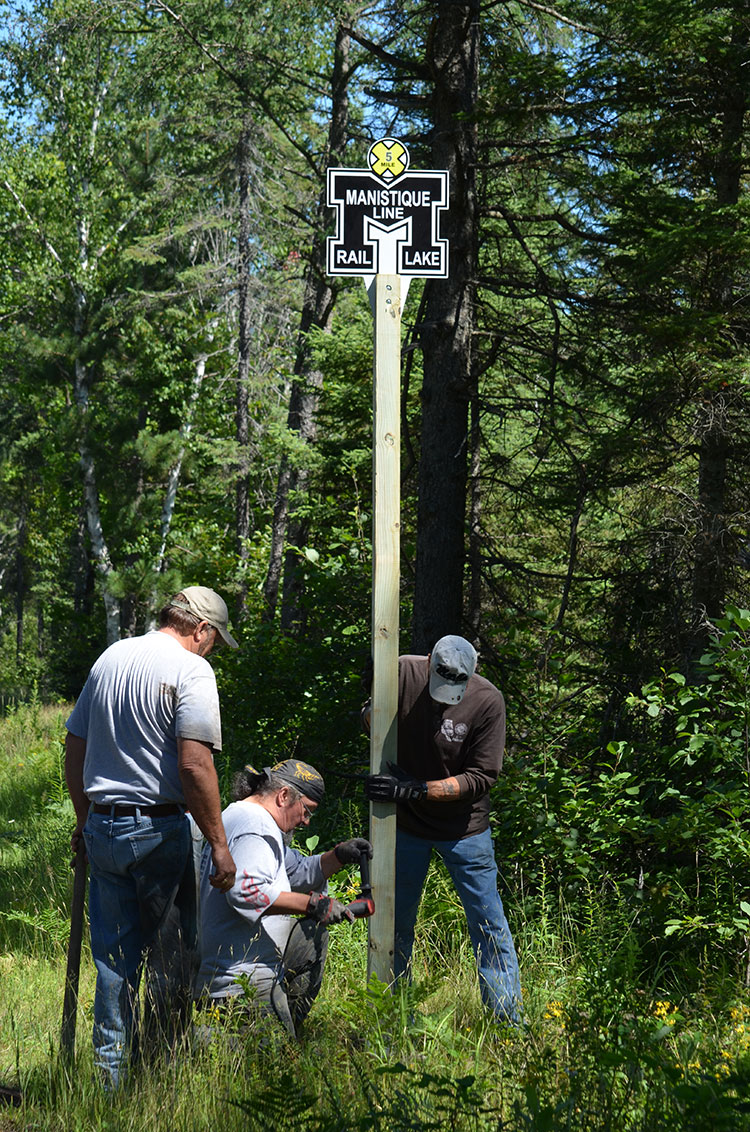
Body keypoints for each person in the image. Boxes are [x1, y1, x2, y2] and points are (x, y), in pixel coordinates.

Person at [64, 586, 239, 1089]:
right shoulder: (191, 670)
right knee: (172, 958)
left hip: (104, 825)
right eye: (214, 641)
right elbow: (194, 762)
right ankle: (159, 1079)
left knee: (114, 963)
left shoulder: (112, 658)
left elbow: (75, 746)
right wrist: (220, 845)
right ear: (200, 628)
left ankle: (110, 1083)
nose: (212, 651)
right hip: (158, 829)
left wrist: (85, 818)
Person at [363, 634, 522, 1024]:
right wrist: (373, 722)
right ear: (429, 660)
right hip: (405, 827)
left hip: (464, 829)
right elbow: (369, 716)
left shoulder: (487, 701)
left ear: (472, 674)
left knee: (488, 923)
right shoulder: (400, 671)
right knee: (395, 921)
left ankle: (506, 1022)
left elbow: (480, 778)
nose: (444, 693)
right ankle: (396, 1016)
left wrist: (417, 789)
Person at [195, 759, 372, 1038]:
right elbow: (246, 892)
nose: (306, 821)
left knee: (312, 937)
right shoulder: (256, 826)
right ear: (284, 796)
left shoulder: (249, 818)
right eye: (306, 810)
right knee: (275, 1069)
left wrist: (338, 855)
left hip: (245, 976)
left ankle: (286, 1024)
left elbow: (298, 871)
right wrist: (313, 904)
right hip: (241, 985)